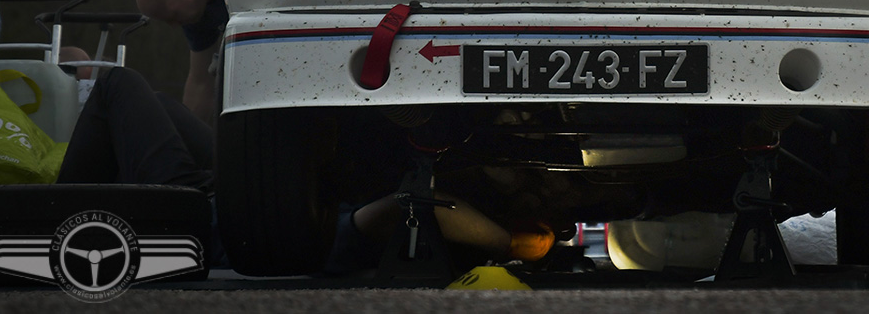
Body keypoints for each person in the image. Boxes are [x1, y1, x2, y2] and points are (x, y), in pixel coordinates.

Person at [58, 66, 554, 273]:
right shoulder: (366, 210)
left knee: (118, 85)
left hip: (199, 215)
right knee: (160, 102)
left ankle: (49, 221)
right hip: (235, 192)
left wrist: (508, 244)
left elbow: (418, 207)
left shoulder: (335, 233)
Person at [133, 0, 227, 123]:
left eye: (173, 17)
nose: (175, 26)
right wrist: (187, 138)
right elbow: (200, 83)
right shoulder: (197, 10)